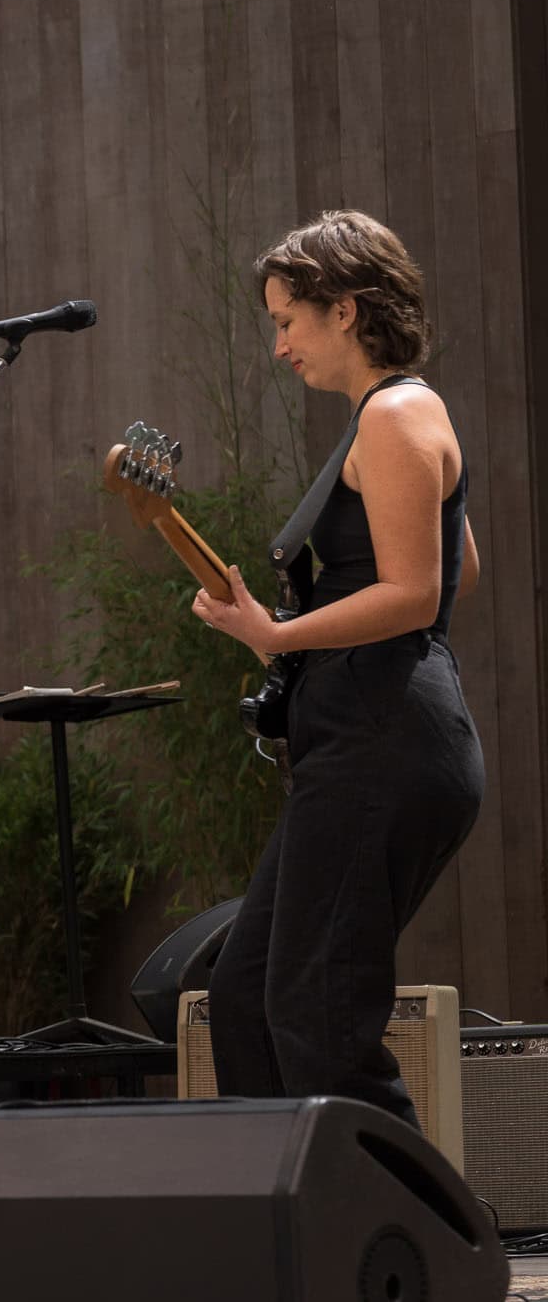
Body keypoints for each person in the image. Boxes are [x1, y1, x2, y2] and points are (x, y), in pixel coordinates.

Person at [193, 210, 483, 1127]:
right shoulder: (394, 416)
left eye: (288, 320)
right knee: (245, 993)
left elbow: (413, 591)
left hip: (379, 741)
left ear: (345, 310)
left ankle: (410, 1241)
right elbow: (459, 567)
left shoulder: (395, 412)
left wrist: (275, 635)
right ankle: (284, 1229)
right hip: (367, 739)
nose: (280, 345)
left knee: (318, 1011)